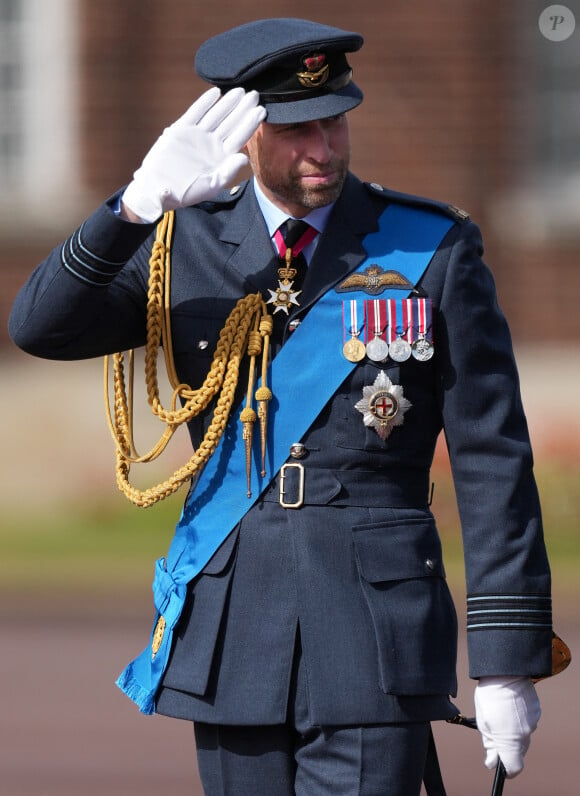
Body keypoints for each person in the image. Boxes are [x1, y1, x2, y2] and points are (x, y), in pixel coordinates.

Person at [9, 18, 553, 796]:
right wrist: (127, 209)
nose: (323, 150)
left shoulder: (429, 249)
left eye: (334, 121)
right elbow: (38, 327)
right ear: (245, 131)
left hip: (372, 634)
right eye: (295, 129)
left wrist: (507, 658)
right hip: (235, 630)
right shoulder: (177, 240)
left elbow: (493, 458)